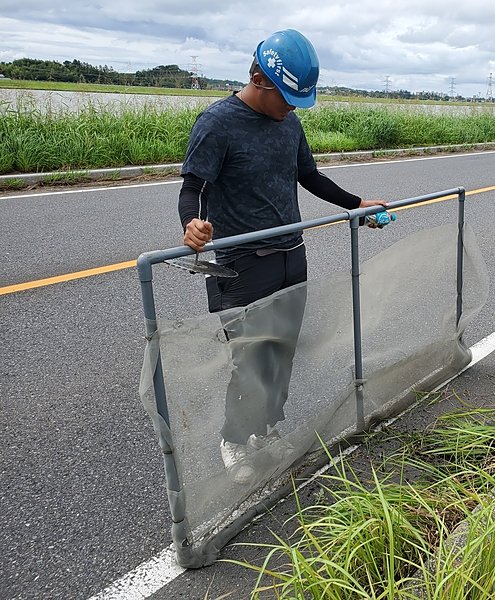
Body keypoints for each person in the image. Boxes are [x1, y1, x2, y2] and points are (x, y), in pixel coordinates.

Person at [178, 29, 386, 484]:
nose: (293, 106)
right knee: (250, 359)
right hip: (241, 264)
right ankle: (234, 439)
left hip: (292, 255)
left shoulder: (289, 122)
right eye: (288, 96)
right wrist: (192, 224)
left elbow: (309, 176)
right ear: (258, 78)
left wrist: (355, 204)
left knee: (282, 353)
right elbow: (194, 188)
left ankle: (267, 429)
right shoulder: (218, 123)